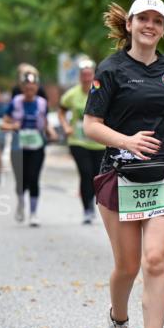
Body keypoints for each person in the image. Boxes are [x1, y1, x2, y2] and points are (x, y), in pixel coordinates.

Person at [83, 0, 164, 328]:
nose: (150, 26)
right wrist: (127, 141)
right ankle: (118, 318)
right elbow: (91, 126)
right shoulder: (111, 69)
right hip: (120, 175)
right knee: (128, 265)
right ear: (129, 25)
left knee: (155, 259)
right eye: (143, 19)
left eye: (157, 21)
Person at [3, 71, 57, 226]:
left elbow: (45, 122)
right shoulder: (15, 102)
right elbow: (3, 123)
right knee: (21, 180)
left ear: (36, 87)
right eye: (26, 88)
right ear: (22, 88)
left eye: (32, 88)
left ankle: (33, 213)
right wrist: (12, 125)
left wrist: (51, 132)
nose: (29, 91)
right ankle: (21, 204)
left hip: (37, 145)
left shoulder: (42, 103)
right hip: (18, 147)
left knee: (34, 179)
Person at [58, 58, 105, 224]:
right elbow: (61, 111)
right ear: (79, 76)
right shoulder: (72, 94)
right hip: (78, 141)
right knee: (85, 173)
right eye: (83, 75)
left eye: (89, 75)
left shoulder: (101, 91)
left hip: (99, 142)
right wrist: (65, 127)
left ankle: (90, 203)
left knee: (96, 175)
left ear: (94, 76)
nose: (86, 78)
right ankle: (87, 208)